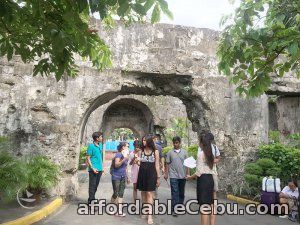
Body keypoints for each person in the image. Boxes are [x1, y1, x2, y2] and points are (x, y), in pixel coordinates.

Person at [187, 133, 216, 225]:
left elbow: (198, 172)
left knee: (204, 207)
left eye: (199, 141)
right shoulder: (210, 154)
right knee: (209, 204)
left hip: (203, 180)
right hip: (210, 179)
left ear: (202, 143)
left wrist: (189, 177)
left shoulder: (201, 154)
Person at [136, 134, 161, 225]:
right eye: (143, 140)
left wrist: (158, 178)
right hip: (142, 174)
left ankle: (150, 216)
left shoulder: (155, 151)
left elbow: (157, 165)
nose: (143, 142)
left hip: (152, 174)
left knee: (149, 193)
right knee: (143, 193)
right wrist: (137, 161)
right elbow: (139, 163)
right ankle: (145, 210)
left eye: (145, 140)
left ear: (149, 141)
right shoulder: (140, 151)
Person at [164, 136, 189, 216]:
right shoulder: (170, 153)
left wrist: (188, 174)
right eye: (174, 143)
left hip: (183, 175)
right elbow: (167, 164)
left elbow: (187, 164)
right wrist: (166, 174)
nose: (175, 144)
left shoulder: (185, 152)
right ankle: (175, 209)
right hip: (173, 175)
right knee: (175, 192)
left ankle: (180, 207)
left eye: (177, 143)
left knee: (181, 192)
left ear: (180, 143)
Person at [198, 131, 221, 199]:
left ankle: (213, 207)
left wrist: (214, 161)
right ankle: (208, 207)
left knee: (214, 190)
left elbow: (219, 157)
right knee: (204, 191)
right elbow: (200, 158)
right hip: (203, 173)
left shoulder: (214, 147)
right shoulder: (201, 148)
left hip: (213, 171)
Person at [110, 141, 130, 217]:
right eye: (127, 146)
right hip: (116, 176)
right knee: (116, 193)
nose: (128, 147)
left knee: (121, 194)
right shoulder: (119, 154)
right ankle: (111, 208)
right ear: (123, 147)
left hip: (123, 176)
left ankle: (119, 211)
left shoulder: (126, 155)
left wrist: (127, 177)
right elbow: (117, 164)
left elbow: (126, 167)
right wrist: (124, 159)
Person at [86, 132, 104, 204]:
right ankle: (92, 202)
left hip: (99, 169)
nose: (102, 138)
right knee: (92, 186)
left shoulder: (100, 145)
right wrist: (92, 168)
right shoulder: (91, 146)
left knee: (95, 186)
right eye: (101, 137)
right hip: (93, 169)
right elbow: (88, 158)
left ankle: (90, 199)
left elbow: (99, 158)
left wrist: (102, 168)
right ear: (97, 138)